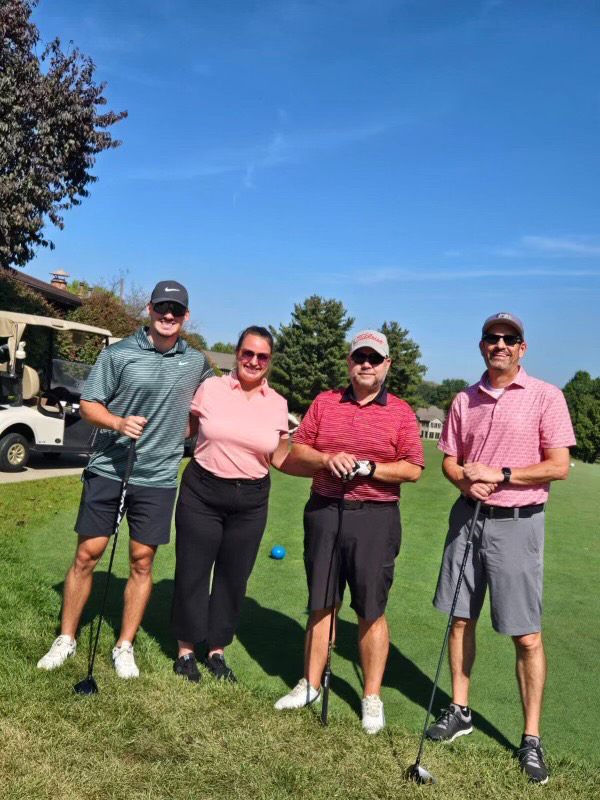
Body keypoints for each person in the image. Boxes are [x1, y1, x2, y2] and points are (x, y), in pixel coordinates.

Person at [426, 312, 575, 784]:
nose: (500, 345)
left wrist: (503, 475)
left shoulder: (546, 397)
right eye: (493, 338)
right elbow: (450, 460)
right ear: (482, 345)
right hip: (467, 520)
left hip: (518, 523)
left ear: (522, 348)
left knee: (526, 635)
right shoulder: (463, 399)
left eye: (509, 339)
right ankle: (460, 710)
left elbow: (558, 466)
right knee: (460, 618)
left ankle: (531, 738)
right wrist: (465, 484)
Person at [38, 281, 213, 678]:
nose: (168, 316)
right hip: (110, 467)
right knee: (88, 554)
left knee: (141, 560)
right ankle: (66, 637)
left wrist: (184, 431)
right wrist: (117, 422)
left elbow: (208, 405)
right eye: (161, 308)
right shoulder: (118, 354)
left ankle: (124, 645)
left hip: (159, 475)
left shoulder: (197, 363)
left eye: (176, 310)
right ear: (150, 309)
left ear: (186, 316)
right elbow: (87, 405)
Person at [273, 330, 424, 733]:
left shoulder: (402, 412)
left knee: (370, 609)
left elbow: (412, 468)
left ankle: (370, 696)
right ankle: (309, 683)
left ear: (387, 364)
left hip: (376, 517)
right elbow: (298, 450)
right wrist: (327, 458)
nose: (366, 365)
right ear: (349, 361)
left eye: (375, 358)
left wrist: (372, 467)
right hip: (324, 509)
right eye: (360, 357)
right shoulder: (325, 402)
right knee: (321, 601)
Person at [170, 326, 290, 684]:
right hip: (202, 491)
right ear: (237, 354)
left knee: (233, 577)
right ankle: (186, 650)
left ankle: (216, 650)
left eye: (262, 356)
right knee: (193, 569)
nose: (254, 361)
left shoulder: (278, 403)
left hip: (251, 500)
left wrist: (324, 466)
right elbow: (187, 430)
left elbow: (281, 458)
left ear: (270, 362)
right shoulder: (211, 389)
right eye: (248, 353)